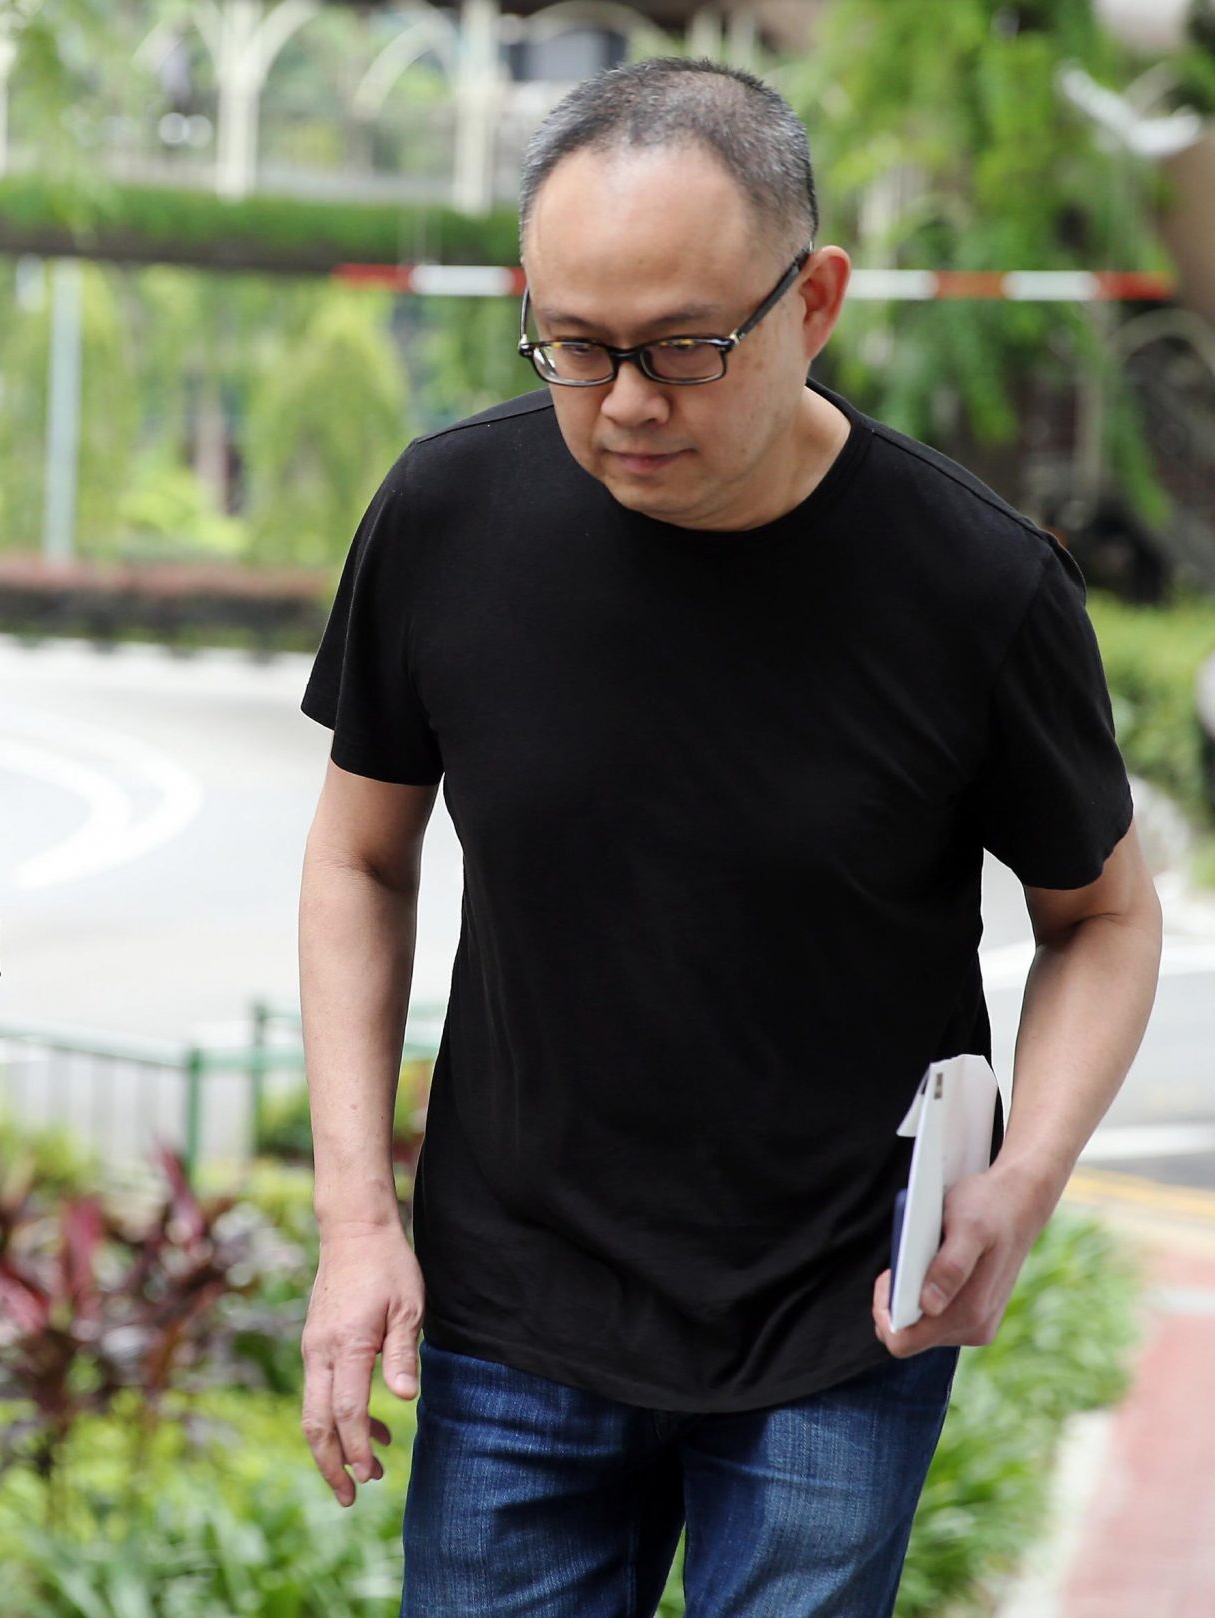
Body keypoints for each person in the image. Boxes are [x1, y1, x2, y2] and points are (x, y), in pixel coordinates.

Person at [296, 58, 1161, 1618]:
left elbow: (1102, 915)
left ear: (813, 301)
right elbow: (359, 858)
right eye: (575, 344)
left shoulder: (975, 586)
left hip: (844, 1313)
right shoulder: (446, 517)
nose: (627, 400)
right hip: (518, 1302)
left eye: (686, 347)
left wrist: (1023, 1177)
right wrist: (355, 1220)